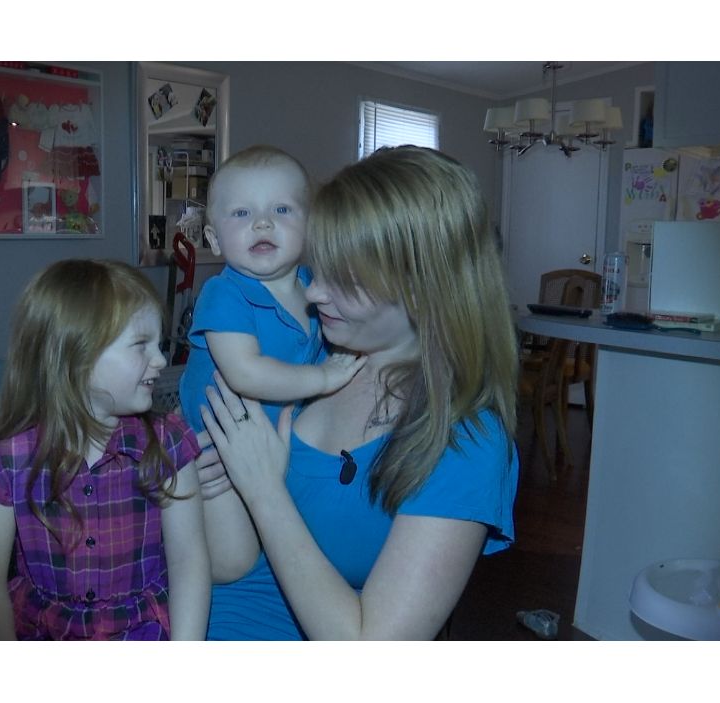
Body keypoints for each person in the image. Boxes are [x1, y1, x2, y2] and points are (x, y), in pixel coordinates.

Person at [197, 146, 520, 640]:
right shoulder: (310, 353)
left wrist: (263, 491)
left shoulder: (464, 440)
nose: (313, 293)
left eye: (344, 280)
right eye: (318, 267)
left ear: (423, 288)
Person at [0, 258, 210, 640]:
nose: (160, 360)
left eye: (157, 344)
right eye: (141, 345)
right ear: (77, 357)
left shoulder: (169, 444)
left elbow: (189, 562)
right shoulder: (7, 459)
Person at [178, 145, 366, 434]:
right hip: (213, 440)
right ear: (214, 240)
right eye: (241, 212)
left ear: (309, 227)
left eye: (281, 209)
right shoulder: (223, 294)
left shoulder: (316, 285)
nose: (262, 223)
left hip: (279, 437)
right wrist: (324, 378)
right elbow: (245, 373)